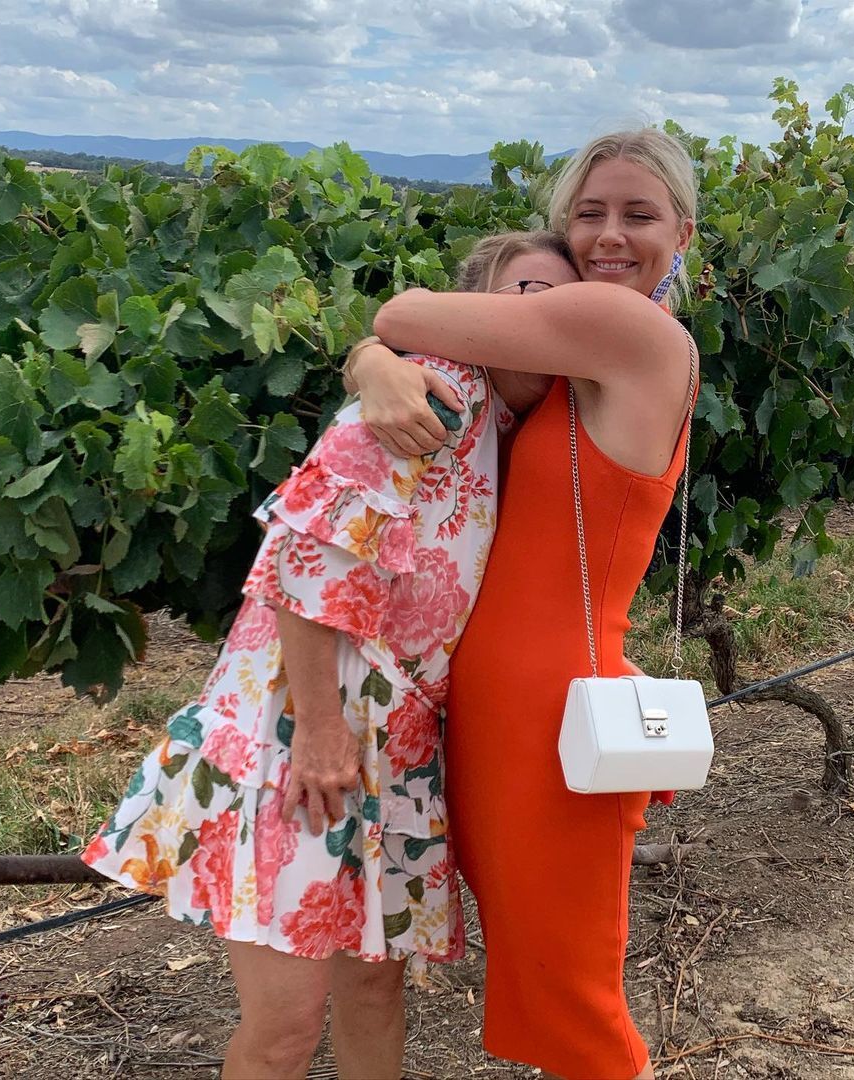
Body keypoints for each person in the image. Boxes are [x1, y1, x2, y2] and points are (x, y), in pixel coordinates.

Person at [80, 230, 581, 1080]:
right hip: (307, 736)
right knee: (285, 1027)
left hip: (395, 755)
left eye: (563, 302)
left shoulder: (521, 426)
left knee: (374, 994)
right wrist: (317, 729)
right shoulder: (439, 396)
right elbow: (305, 551)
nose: (544, 317)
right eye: (525, 293)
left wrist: (365, 356)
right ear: (472, 312)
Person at [346, 128, 700, 1080]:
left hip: (548, 714)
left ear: (683, 235)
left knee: (578, 1009)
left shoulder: (625, 328)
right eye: (589, 213)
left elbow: (403, 312)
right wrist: (374, 364)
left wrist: (377, 353)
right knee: (547, 985)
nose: (610, 234)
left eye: (639, 214)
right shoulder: (576, 365)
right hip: (505, 710)